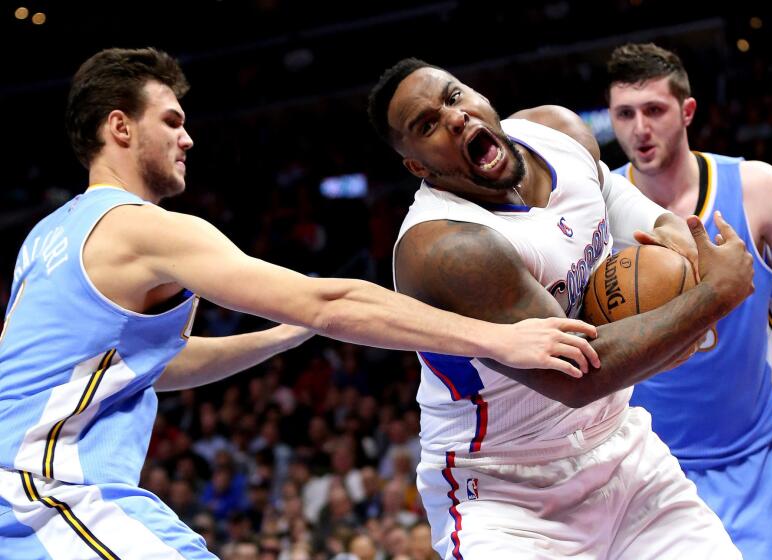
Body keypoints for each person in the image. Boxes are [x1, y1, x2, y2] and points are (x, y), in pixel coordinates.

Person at [0, 47, 599, 560]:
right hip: (50, 492)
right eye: (172, 120)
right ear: (120, 127)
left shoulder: (48, 237)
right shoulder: (142, 228)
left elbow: (150, 364)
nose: (188, 137)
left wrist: (283, 335)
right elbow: (329, 299)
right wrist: (503, 338)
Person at [368, 57, 755, 559]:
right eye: (427, 124)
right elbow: (577, 376)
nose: (455, 117)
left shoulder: (558, 131)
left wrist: (673, 241)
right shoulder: (446, 247)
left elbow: (627, 209)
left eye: (454, 96)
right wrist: (712, 298)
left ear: (479, 95)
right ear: (418, 166)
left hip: (621, 449)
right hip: (506, 495)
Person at [606, 42, 772, 559]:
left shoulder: (755, 186)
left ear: (687, 111)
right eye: (624, 113)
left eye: (654, 110)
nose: (639, 128)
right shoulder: (595, 216)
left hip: (761, 460)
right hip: (652, 472)